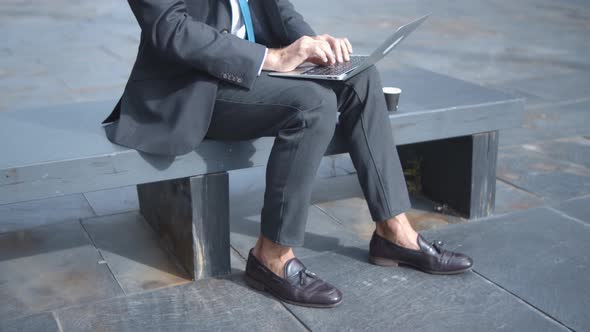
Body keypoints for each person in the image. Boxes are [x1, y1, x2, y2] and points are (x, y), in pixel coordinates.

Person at [102, 0, 473, 308]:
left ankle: (394, 232)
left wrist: (312, 45)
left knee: (360, 76)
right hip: (190, 88)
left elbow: (275, 7)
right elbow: (170, 28)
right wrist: (272, 57)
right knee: (313, 105)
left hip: (251, 70)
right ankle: (272, 256)